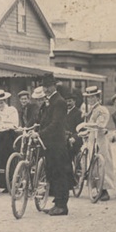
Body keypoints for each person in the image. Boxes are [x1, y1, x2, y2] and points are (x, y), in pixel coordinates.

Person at [35, 74, 73, 215]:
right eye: (44, 86)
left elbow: (56, 124)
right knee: (52, 173)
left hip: (57, 144)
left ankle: (62, 206)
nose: (46, 89)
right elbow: (44, 120)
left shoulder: (59, 102)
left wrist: (40, 134)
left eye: (49, 86)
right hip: (50, 144)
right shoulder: (50, 101)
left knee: (60, 174)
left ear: (54, 86)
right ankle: (57, 203)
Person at [80, 85, 114, 201]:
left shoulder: (102, 110)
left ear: (98, 97)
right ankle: (95, 187)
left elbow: (100, 124)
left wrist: (86, 125)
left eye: (93, 97)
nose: (90, 100)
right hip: (91, 139)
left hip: (100, 139)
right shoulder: (91, 110)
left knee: (102, 163)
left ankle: (104, 190)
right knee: (91, 163)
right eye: (89, 98)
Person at [64, 86, 85, 159]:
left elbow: (81, 130)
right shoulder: (63, 112)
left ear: (74, 101)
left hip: (74, 140)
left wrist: (74, 138)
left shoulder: (78, 113)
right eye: (66, 101)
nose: (68, 103)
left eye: (70, 101)